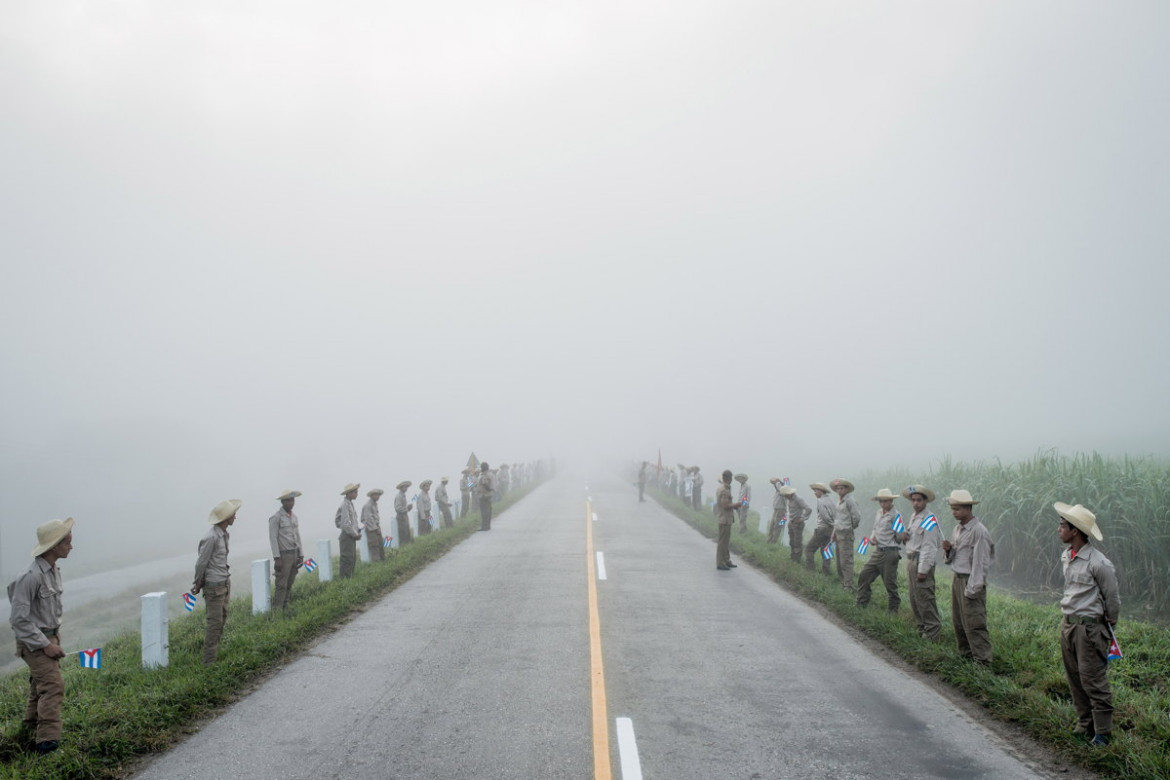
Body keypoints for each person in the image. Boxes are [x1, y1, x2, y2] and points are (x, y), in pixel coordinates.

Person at [7, 518, 74, 754]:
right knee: (53, 686)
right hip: (35, 642)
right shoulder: (30, 576)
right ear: (54, 545)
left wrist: (53, 640)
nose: (71, 547)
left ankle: (27, 732)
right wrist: (45, 645)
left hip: (50, 637)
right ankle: (47, 744)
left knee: (39, 686)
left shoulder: (54, 570)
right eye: (67, 542)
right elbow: (18, 619)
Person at [1055, 502, 1119, 746]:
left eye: (1062, 525)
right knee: (1074, 676)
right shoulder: (1067, 556)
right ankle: (1084, 723)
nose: (1058, 529)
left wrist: (1109, 620)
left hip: (1090, 628)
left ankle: (1103, 731)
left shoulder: (1099, 563)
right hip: (1069, 624)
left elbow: (1112, 597)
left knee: (1093, 678)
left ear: (1075, 531)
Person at [942, 489, 993, 664]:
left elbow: (980, 564)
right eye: (952, 509)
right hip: (958, 578)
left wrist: (972, 590)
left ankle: (982, 661)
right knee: (959, 622)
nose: (954, 512)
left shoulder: (978, 531)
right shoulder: (958, 529)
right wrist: (949, 550)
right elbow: (956, 557)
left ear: (968, 508)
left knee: (974, 622)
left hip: (970, 581)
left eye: (957, 509)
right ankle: (965, 656)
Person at [194, 499, 239, 663]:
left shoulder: (224, 534)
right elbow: (202, 562)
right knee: (214, 624)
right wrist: (197, 583)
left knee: (222, 619)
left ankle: (214, 655)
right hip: (214, 586)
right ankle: (208, 663)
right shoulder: (211, 537)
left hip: (224, 583)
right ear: (226, 518)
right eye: (233, 514)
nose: (235, 517)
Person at [900, 484, 942, 640]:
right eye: (913, 500)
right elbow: (914, 540)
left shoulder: (929, 519)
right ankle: (922, 629)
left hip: (920, 562)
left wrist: (923, 570)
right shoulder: (914, 517)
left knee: (925, 599)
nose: (915, 503)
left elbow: (929, 547)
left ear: (925, 501)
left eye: (919, 500)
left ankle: (932, 633)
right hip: (911, 560)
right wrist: (905, 537)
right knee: (914, 598)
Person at [856, 489, 901, 611]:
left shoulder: (895, 516)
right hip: (878, 551)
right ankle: (861, 604)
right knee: (864, 575)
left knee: (890, 584)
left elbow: (900, 537)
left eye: (885, 501)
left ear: (891, 501)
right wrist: (872, 538)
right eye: (881, 501)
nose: (883, 504)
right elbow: (875, 529)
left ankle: (893, 613)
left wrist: (893, 539)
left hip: (889, 552)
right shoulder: (879, 513)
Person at [269, 490, 304, 610]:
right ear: (282, 502)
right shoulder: (276, 518)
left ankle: (285, 606)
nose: (291, 503)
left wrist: (301, 554)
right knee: (281, 584)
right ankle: (277, 610)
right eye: (288, 500)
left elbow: (297, 536)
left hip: (294, 553)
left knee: (290, 582)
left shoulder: (294, 517)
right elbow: (273, 538)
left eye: (292, 500)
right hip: (283, 556)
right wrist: (277, 558)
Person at [830, 478, 862, 591]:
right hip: (838, 531)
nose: (839, 490)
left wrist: (849, 527)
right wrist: (834, 533)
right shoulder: (839, 501)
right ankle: (842, 581)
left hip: (846, 533)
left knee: (846, 559)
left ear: (847, 489)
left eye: (842, 488)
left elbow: (856, 517)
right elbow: (837, 518)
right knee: (839, 559)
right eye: (838, 488)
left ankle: (848, 585)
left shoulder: (850, 501)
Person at [715, 470, 744, 570]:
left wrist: (733, 506)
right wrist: (736, 505)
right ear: (729, 478)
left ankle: (726, 560)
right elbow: (725, 505)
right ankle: (720, 562)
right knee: (722, 542)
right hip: (724, 519)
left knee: (726, 542)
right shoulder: (724, 490)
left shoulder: (723, 488)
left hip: (725, 518)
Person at [804, 483, 835, 574]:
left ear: (821, 491)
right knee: (825, 549)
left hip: (822, 529)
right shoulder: (831, 500)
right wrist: (833, 526)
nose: (815, 493)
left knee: (809, 549)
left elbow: (824, 516)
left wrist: (830, 523)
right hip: (830, 530)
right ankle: (826, 571)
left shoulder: (820, 501)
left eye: (816, 491)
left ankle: (810, 571)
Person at [336, 483, 362, 578]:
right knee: (347, 560)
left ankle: (349, 581)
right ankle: (344, 583)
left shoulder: (350, 504)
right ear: (349, 493)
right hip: (347, 536)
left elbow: (341, 521)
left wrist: (356, 531)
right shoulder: (345, 505)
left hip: (350, 535)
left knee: (352, 559)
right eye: (355, 492)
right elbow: (345, 524)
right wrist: (354, 533)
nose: (357, 494)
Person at [362, 489, 385, 561]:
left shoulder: (374, 504)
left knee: (381, 545)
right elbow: (368, 519)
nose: (378, 496)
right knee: (374, 546)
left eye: (379, 495)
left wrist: (377, 527)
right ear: (372, 496)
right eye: (376, 495)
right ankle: (377, 564)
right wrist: (376, 528)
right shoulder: (368, 505)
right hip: (371, 530)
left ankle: (383, 561)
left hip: (376, 527)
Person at [394, 481, 414, 546]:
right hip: (401, 517)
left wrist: (408, 508)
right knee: (403, 533)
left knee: (407, 532)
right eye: (404, 487)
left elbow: (402, 507)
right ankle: (403, 547)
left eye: (406, 487)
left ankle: (407, 546)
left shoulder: (403, 495)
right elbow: (397, 508)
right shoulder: (398, 496)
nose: (406, 488)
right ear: (401, 488)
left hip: (404, 516)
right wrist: (407, 508)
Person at [475, 462, 495, 530]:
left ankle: (485, 526)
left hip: (483, 494)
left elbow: (484, 484)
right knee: (488, 510)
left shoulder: (484, 475)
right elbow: (473, 485)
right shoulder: (489, 474)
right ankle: (487, 525)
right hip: (486, 494)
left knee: (484, 511)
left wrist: (488, 491)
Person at [767, 478, 786, 544]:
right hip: (776, 508)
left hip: (781, 509)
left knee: (777, 525)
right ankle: (770, 538)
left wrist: (777, 482)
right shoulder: (777, 490)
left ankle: (774, 540)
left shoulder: (781, 488)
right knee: (772, 524)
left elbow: (782, 491)